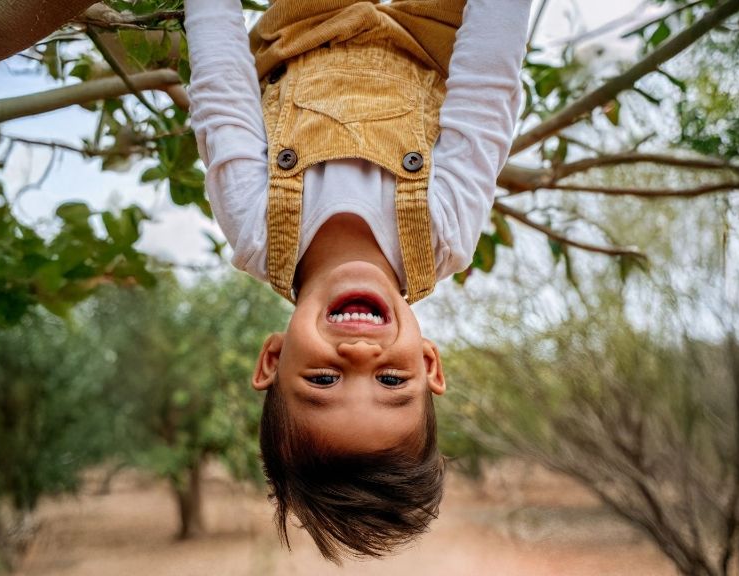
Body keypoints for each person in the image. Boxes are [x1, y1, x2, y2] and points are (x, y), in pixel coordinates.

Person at [184, 0, 530, 562]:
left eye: (323, 380)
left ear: (272, 360)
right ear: (429, 363)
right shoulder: (445, 232)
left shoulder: (254, 227)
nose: (360, 355)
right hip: (429, 26)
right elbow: (487, 88)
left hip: (302, 21)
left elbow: (221, 91)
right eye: (392, 381)